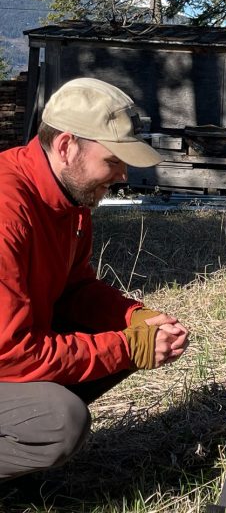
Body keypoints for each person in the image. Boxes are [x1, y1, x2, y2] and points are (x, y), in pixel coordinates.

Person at [0, 77, 189, 482]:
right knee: (58, 422)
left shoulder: (70, 196)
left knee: (119, 333)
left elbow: (75, 290)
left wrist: (135, 319)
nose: (122, 175)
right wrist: (127, 348)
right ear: (67, 146)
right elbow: (11, 352)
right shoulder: (6, 211)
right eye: (113, 160)